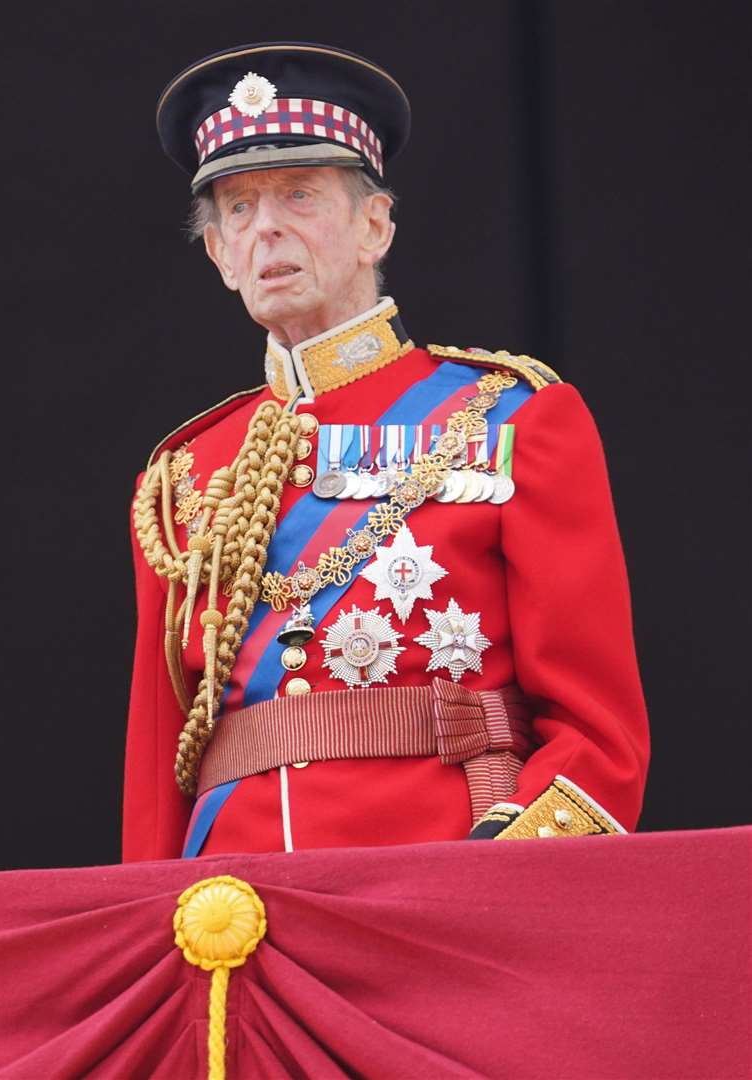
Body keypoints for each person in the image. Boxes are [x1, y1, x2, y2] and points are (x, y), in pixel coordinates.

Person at [123, 44, 648, 861]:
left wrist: (505, 871)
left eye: (298, 195)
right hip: (233, 900)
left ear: (374, 226)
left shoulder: (509, 417)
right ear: (220, 257)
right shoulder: (183, 478)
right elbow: (162, 770)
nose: (266, 228)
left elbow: (598, 737)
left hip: (448, 885)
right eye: (237, 208)